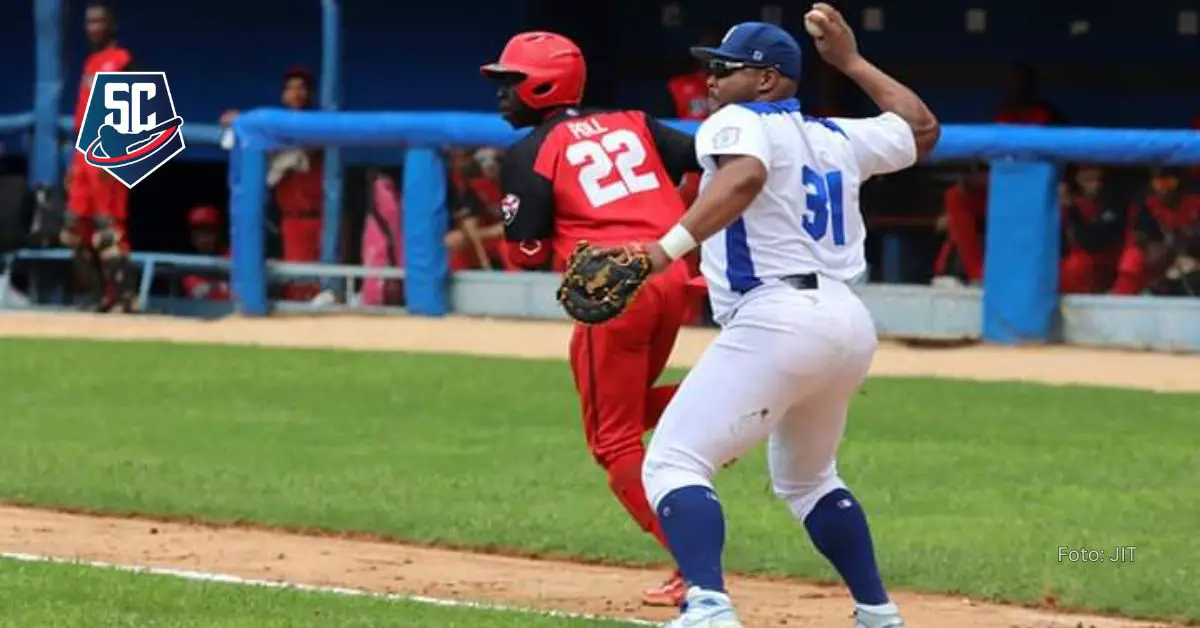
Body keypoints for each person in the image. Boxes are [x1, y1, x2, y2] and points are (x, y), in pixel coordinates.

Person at [615, 7, 939, 627]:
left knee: (674, 462)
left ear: (766, 80)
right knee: (809, 479)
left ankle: (708, 607)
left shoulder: (735, 123)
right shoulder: (835, 135)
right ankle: (877, 613)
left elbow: (745, 177)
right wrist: (851, 62)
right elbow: (921, 129)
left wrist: (661, 252)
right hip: (846, 321)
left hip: (778, 316)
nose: (710, 81)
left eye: (726, 69)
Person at [480, 31, 702, 607]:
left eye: (511, 82)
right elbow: (712, 160)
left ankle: (695, 566)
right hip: (671, 274)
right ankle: (736, 397)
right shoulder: (637, 121)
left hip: (617, 290)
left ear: (543, 84)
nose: (502, 94)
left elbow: (523, 255)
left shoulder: (531, 150)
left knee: (613, 439)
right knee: (625, 410)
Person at [221, 67, 325, 300]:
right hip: (292, 219)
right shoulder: (273, 125)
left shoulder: (319, 123)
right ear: (283, 95)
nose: (297, 93)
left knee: (323, 288)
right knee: (299, 287)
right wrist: (240, 121)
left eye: (302, 88)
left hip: (322, 218)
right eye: (291, 88)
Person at [62, 0, 138, 312]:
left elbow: (132, 110)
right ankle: (98, 295)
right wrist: (73, 162)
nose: (93, 27)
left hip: (107, 147)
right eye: (89, 22)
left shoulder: (123, 60)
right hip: (82, 151)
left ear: (112, 25)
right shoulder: (90, 62)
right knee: (74, 228)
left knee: (109, 228)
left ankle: (124, 298)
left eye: (99, 21)